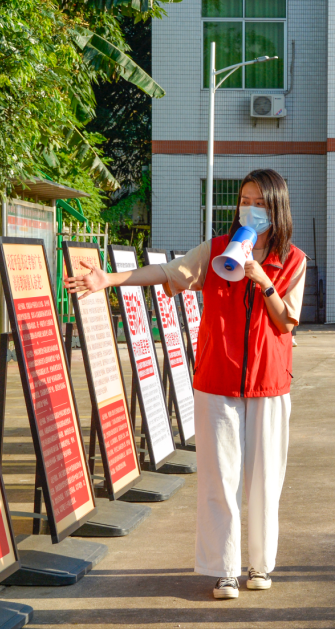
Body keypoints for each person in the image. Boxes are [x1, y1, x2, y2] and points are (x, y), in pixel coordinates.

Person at [65, 169, 307, 600]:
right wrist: (109, 280)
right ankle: (225, 570)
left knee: (265, 480)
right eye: (244, 199)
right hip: (217, 382)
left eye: (260, 202)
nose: (250, 208)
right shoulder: (217, 251)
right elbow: (166, 272)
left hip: (269, 386)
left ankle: (260, 565)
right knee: (219, 479)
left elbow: (287, 320)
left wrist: (263, 281)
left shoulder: (293, 260)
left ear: (277, 208)